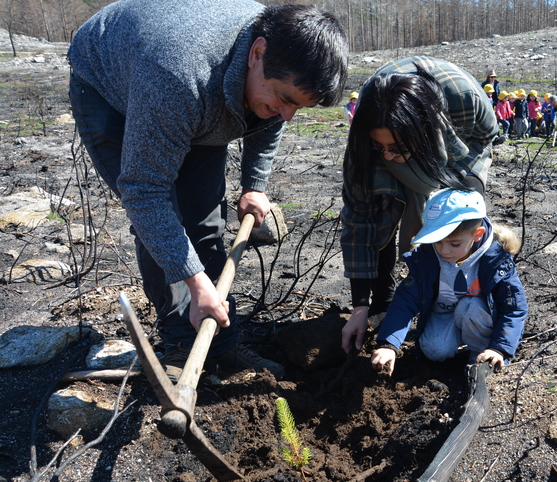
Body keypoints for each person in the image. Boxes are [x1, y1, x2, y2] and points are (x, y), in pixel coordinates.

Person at [68, 0, 349, 377]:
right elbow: (145, 192)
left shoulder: (275, 64)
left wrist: (254, 185)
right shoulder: (178, 77)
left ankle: (220, 346)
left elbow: (271, 118)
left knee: (204, 220)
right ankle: (183, 348)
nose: (288, 115)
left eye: (299, 107)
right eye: (285, 100)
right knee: (163, 221)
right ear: (257, 53)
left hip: (199, 93)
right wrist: (197, 282)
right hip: (110, 84)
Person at [340, 56, 499, 354]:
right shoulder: (367, 140)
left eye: (395, 147)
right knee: (384, 215)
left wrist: (453, 183)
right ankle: (387, 301)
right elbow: (360, 223)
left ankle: (465, 295)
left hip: (455, 147)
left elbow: (486, 136)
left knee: (460, 216)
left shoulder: (465, 98)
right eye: (380, 146)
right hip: (410, 142)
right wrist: (359, 306)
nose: (387, 156)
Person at [370, 189, 527, 376]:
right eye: (438, 242)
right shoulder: (427, 258)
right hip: (444, 313)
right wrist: (389, 344)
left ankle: (479, 356)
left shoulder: (496, 260)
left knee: (470, 307)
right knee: (434, 350)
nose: (445, 251)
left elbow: (514, 308)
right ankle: (453, 346)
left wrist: (499, 348)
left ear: (478, 234)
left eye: (454, 244)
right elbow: (405, 301)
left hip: (478, 316)